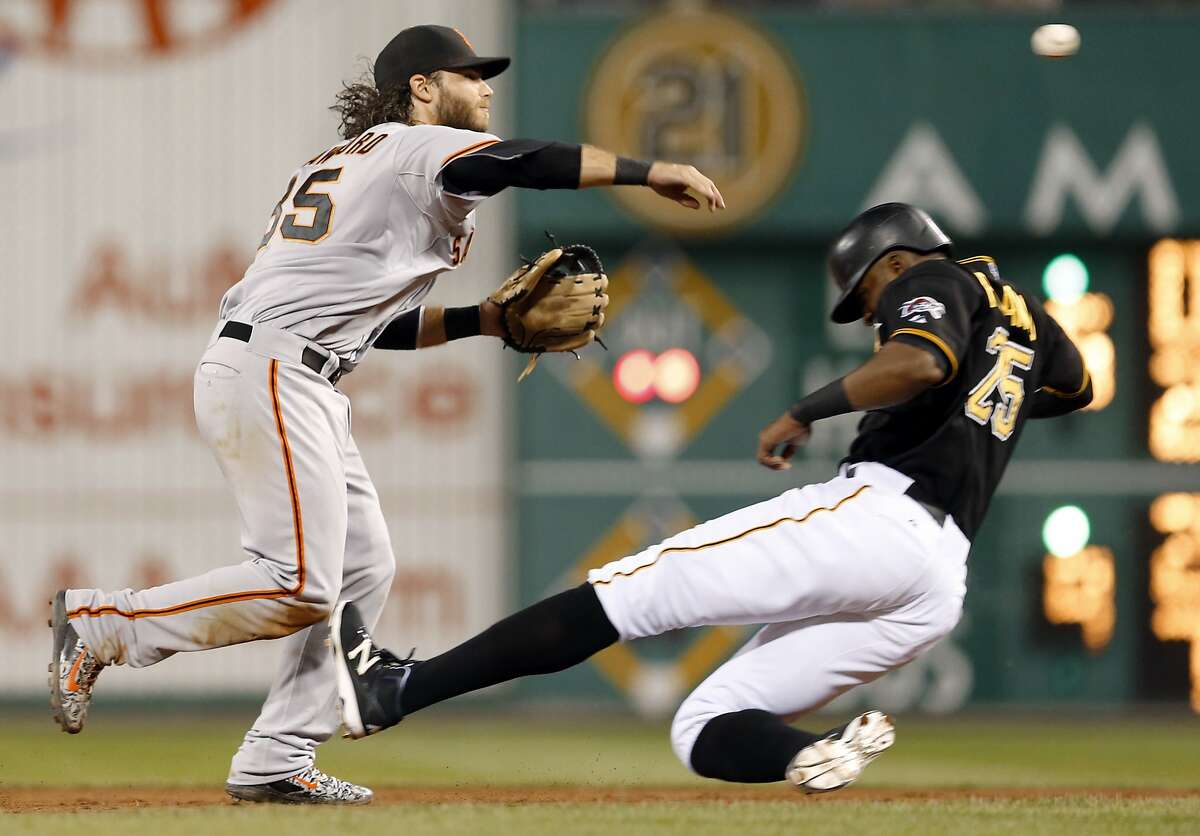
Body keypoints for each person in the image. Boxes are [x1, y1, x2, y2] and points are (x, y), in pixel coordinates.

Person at [48, 23, 723, 806]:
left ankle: (275, 755)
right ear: (423, 89)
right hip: (273, 367)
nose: (487, 88)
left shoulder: (370, 164)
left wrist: (485, 322)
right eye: (469, 76)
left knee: (364, 568)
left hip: (292, 369)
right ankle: (100, 623)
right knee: (298, 582)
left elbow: (377, 326)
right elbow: (521, 161)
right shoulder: (413, 146)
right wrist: (649, 171)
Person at [330, 202, 1093, 792]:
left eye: (867, 298)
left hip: (878, 517)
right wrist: (989, 402)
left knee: (632, 590)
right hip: (934, 584)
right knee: (704, 726)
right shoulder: (1023, 314)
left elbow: (920, 363)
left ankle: (398, 689)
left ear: (895, 261)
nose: (869, 318)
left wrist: (806, 410)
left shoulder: (933, 278)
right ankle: (817, 754)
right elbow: (1078, 387)